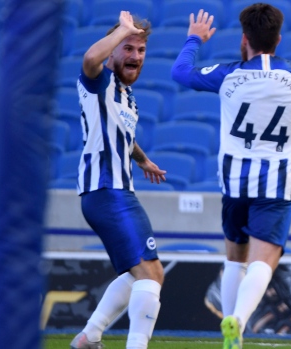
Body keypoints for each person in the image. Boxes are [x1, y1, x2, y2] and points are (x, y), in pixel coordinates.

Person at [171, 4, 291, 349]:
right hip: (276, 187)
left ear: (244, 39)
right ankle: (239, 322)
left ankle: (230, 322)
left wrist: (194, 39)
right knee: (264, 260)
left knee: (235, 258)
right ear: (278, 39)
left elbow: (180, 73)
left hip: (233, 184)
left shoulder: (228, 74)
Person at [69, 11, 168, 349]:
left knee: (136, 273)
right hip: (107, 191)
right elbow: (89, 59)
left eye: (141, 50)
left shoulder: (126, 96)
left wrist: (143, 160)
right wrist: (122, 31)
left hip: (117, 191)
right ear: (113, 52)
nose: (136, 57)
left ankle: (89, 336)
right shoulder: (100, 80)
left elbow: (124, 136)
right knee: (152, 274)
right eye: (128, 48)